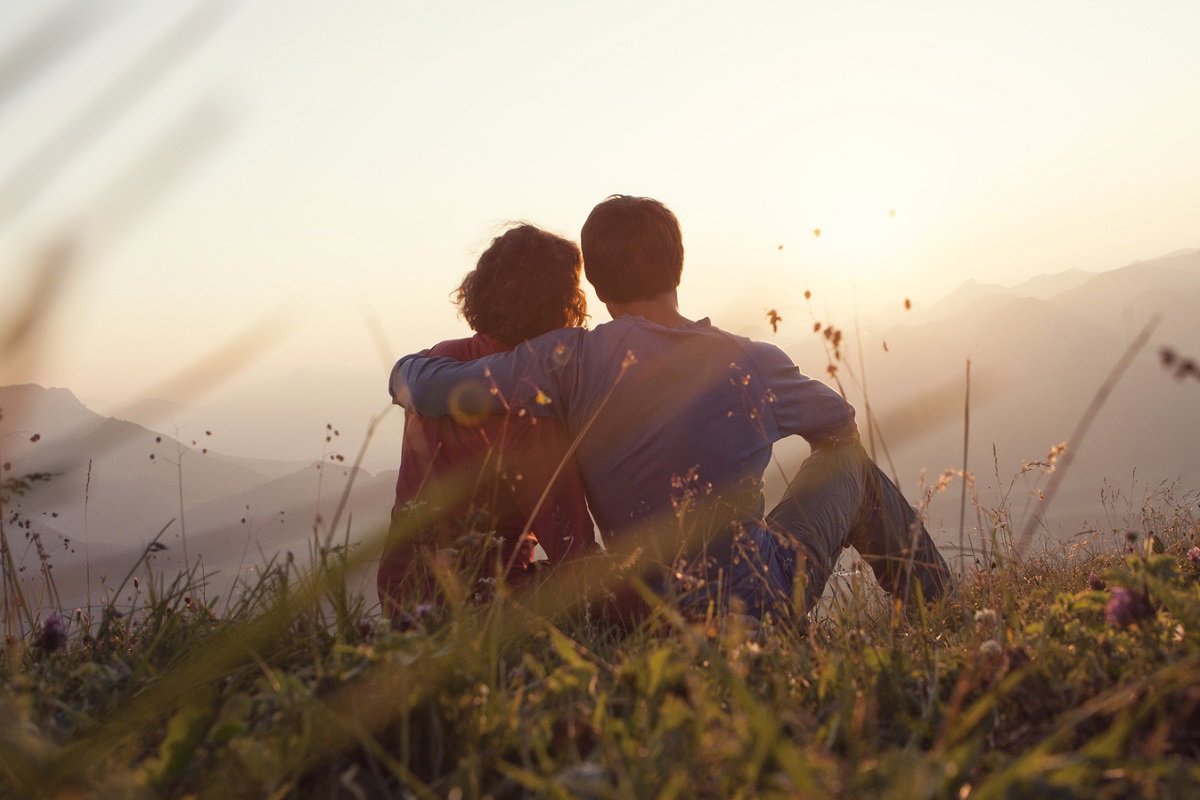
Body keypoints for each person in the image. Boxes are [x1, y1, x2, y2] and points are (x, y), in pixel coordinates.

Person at [390, 196, 950, 619]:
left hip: (646, 611)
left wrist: (405, 370)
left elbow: (430, 387)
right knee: (852, 467)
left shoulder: (568, 361)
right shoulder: (750, 360)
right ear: (678, 267)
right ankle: (942, 611)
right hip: (758, 602)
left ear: (598, 284)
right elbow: (840, 425)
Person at [377, 224, 596, 619]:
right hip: (485, 607)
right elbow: (573, 552)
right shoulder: (532, 413)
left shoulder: (438, 361)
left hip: (400, 596)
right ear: (565, 303)